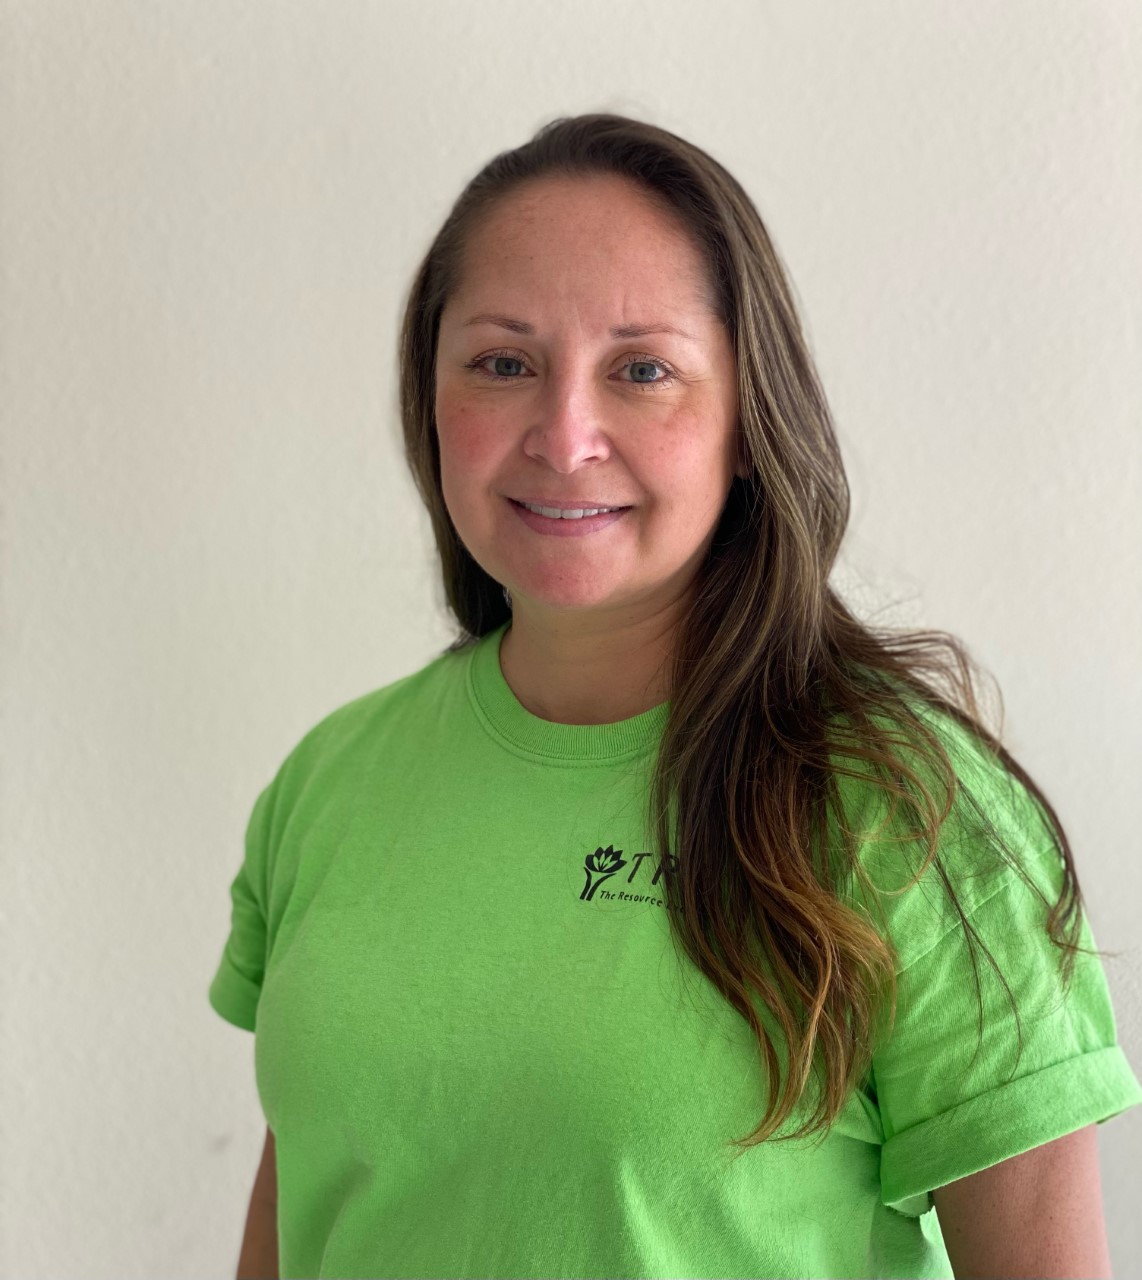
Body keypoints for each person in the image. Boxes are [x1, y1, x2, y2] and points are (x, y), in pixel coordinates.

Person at [209, 113, 1141, 1279]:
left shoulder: (908, 809)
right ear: (428, 397)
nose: (563, 435)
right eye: (503, 362)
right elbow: (303, 1206)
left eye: (641, 369)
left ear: (748, 421)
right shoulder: (329, 781)